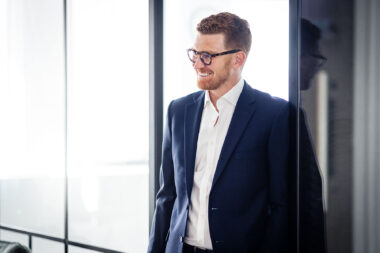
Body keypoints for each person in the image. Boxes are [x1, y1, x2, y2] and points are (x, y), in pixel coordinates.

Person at [148, 12, 289, 253]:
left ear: (237, 59)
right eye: (194, 54)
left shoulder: (275, 115)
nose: (197, 64)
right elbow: (167, 196)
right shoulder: (178, 111)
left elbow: (282, 207)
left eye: (207, 56)